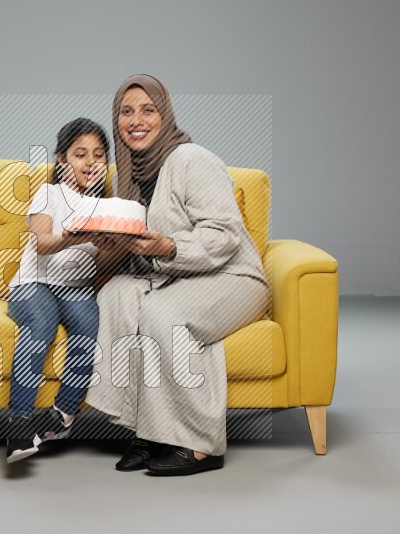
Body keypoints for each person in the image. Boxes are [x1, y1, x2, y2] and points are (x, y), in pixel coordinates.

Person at [84, 75, 270, 476]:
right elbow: (142, 248)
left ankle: (200, 443)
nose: (136, 120)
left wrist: (168, 247)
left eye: (148, 110)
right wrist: (110, 243)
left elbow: (224, 236)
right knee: (116, 294)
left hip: (234, 276)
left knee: (162, 313)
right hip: (182, 275)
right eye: (126, 111)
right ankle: (147, 431)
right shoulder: (130, 174)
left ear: (165, 114)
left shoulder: (191, 159)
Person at [5, 118, 111, 463]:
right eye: (80, 154)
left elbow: (105, 264)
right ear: (62, 160)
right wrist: (78, 234)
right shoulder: (49, 193)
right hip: (34, 283)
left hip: (75, 288)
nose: (91, 163)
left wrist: (118, 242)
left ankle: (61, 416)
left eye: (98, 155)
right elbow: (42, 244)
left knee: (89, 325)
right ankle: (18, 424)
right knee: (42, 320)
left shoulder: (108, 207)